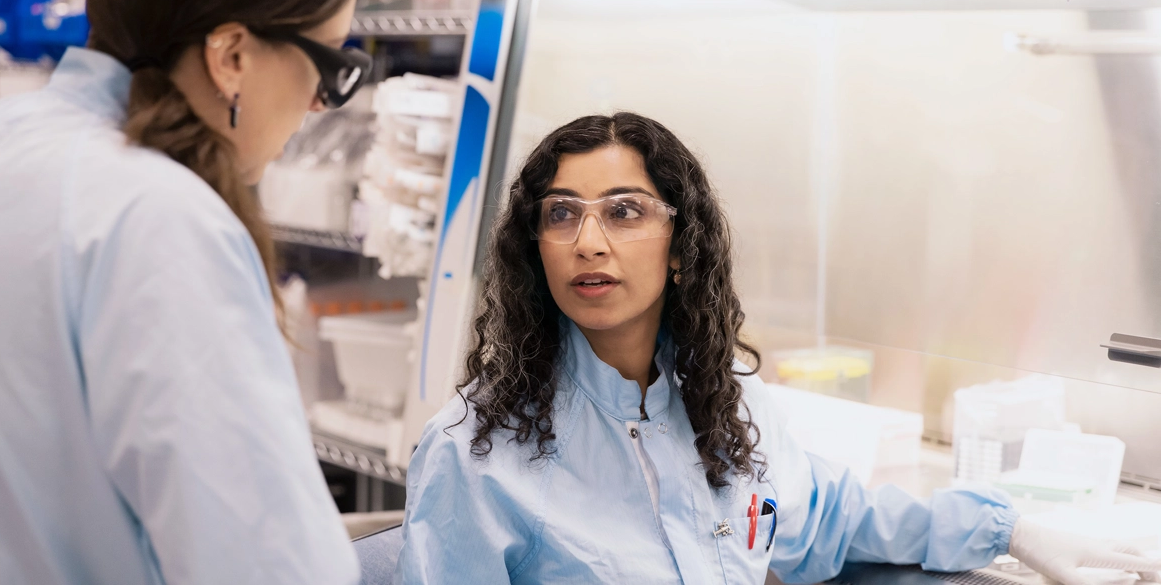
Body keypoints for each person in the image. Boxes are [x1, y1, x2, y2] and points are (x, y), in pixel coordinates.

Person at [397, 112, 1161, 584]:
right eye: (560, 215)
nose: (587, 241)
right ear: (535, 249)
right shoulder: (476, 455)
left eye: (624, 211)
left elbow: (834, 521)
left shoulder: (721, 408)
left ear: (680, 247)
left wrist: (1010, 530)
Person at [0, 0, 372, 583]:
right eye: (327, 67)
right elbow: (273, 567)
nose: (321, 104)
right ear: (232, 56)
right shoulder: (162, 220)